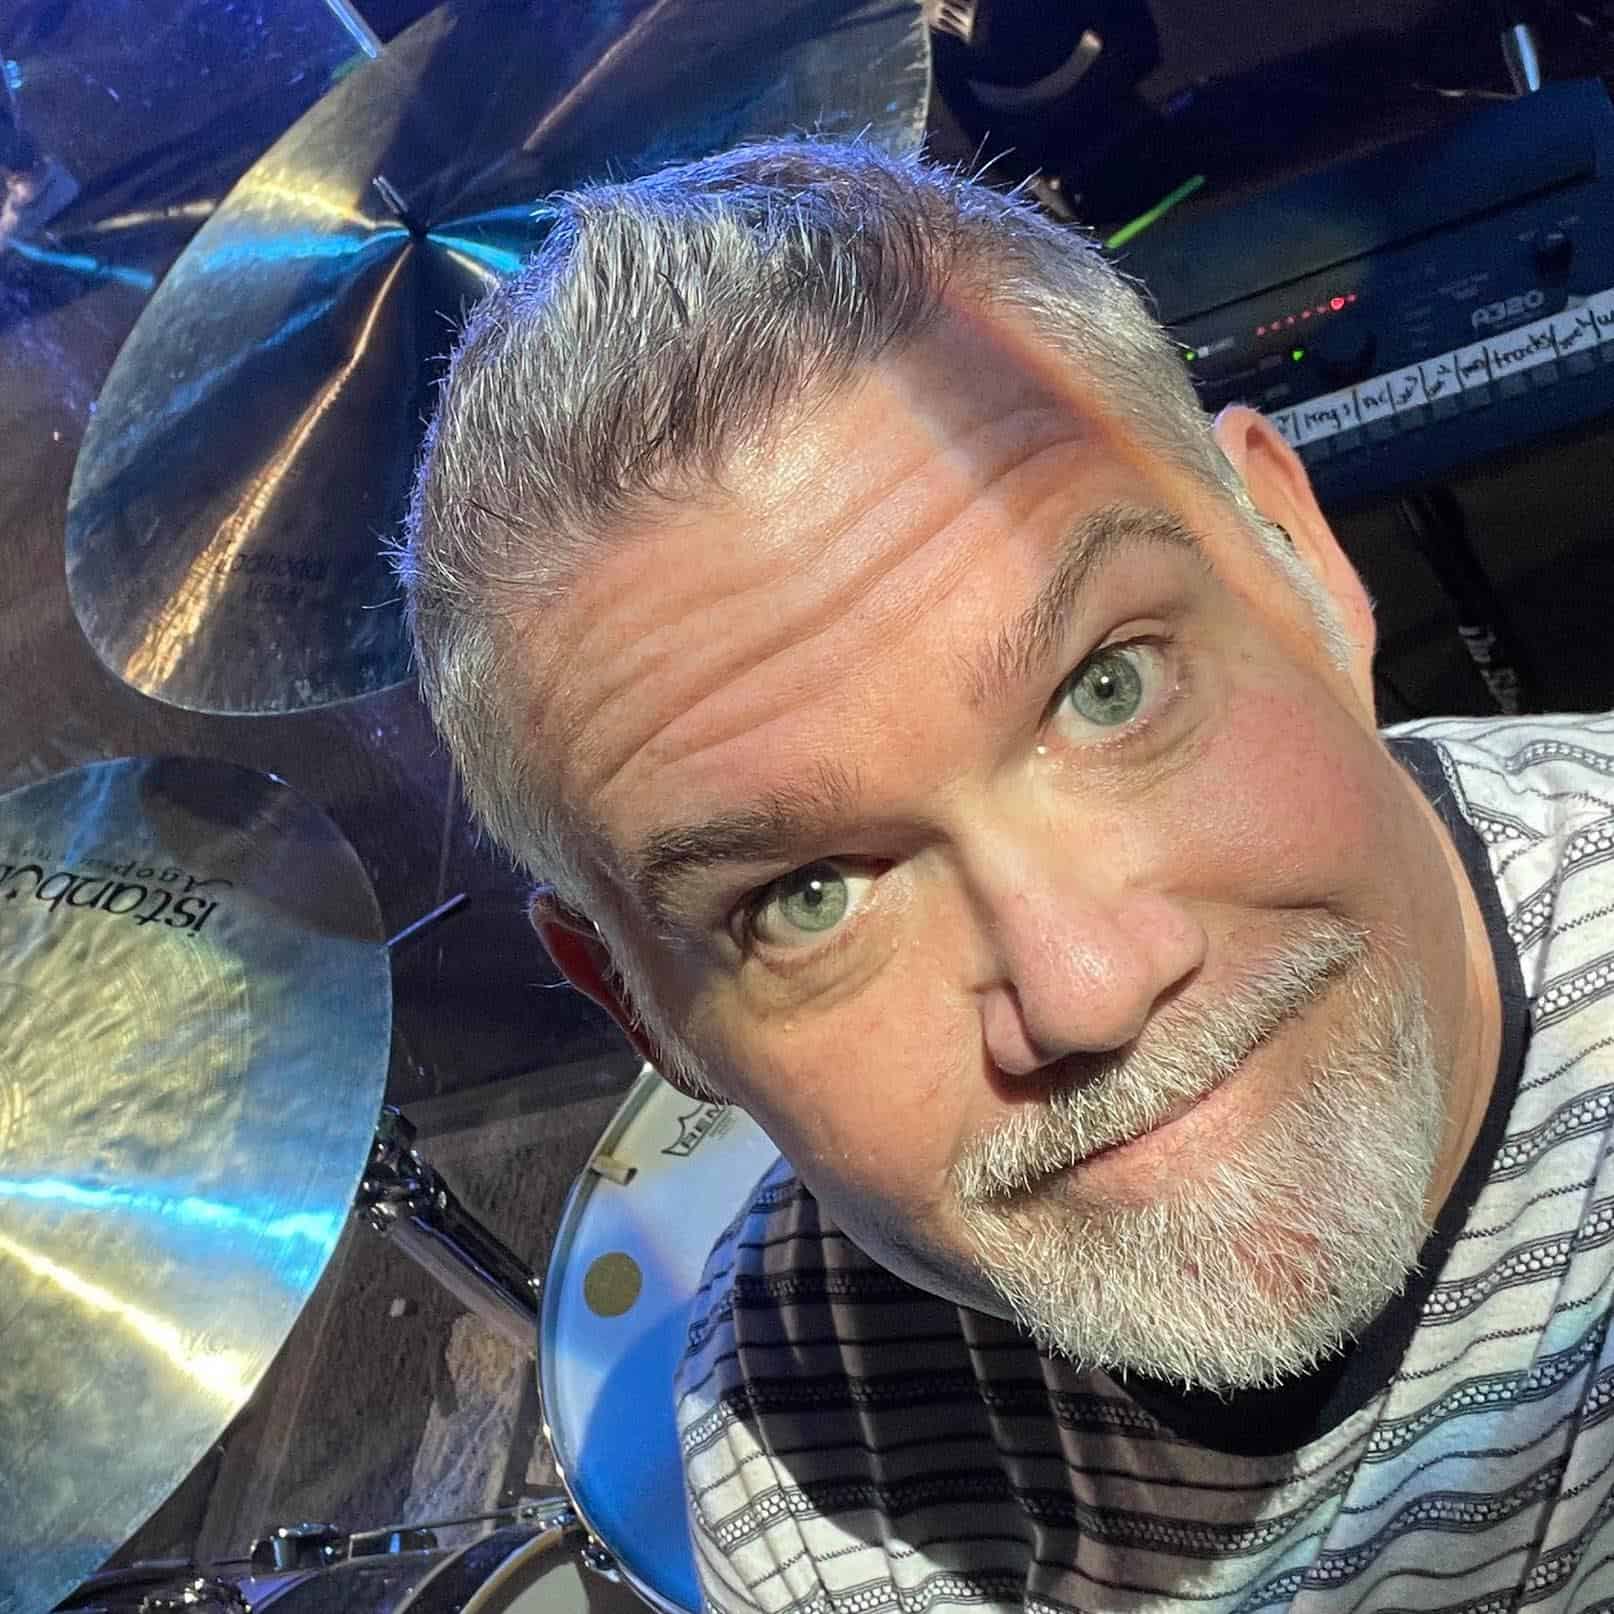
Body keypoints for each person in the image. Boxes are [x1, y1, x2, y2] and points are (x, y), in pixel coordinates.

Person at [396, 140, 1614, 1610]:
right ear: (645, 1013)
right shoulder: (801, 1483)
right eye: (806, 896)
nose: (1085, 988)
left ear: (1298, 565)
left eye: (1109, 688)